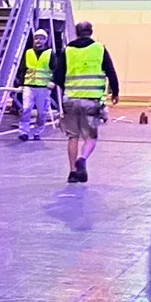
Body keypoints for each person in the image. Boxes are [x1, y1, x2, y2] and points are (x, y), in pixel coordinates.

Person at [52, 20, 120, 183]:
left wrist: (69, 88)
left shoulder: (67, 50)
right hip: (91, 100)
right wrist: (115, 92)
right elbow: (111, 72)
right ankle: (82, 159)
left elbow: (58, 77)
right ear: (91, 32)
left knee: (72, 137)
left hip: (71, 99)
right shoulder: (99, 49)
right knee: (90, 136)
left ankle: (73, 172)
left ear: (76, 32)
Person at [13, 29, 56, 141]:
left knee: (41, 112)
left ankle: (38, 132)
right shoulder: (28, 53)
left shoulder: (50, 53)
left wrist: (53, 81)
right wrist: (21, 84)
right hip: (29, 86)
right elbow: (23, 69)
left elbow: (55, 69)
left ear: (45, 40)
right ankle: (24, 132)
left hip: (43, 87)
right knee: (26, 109)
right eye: (36, 38)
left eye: (41, 38)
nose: (38, 41)